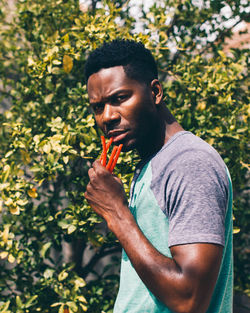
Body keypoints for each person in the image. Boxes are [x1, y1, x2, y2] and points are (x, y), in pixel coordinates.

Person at [84, 39, 233, 313]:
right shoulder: (153, 163)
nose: (107, 117)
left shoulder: (189, 162)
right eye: (97, 107)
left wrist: (116, 212)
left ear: (155, 92)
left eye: (119, 98)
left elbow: (189, 299)